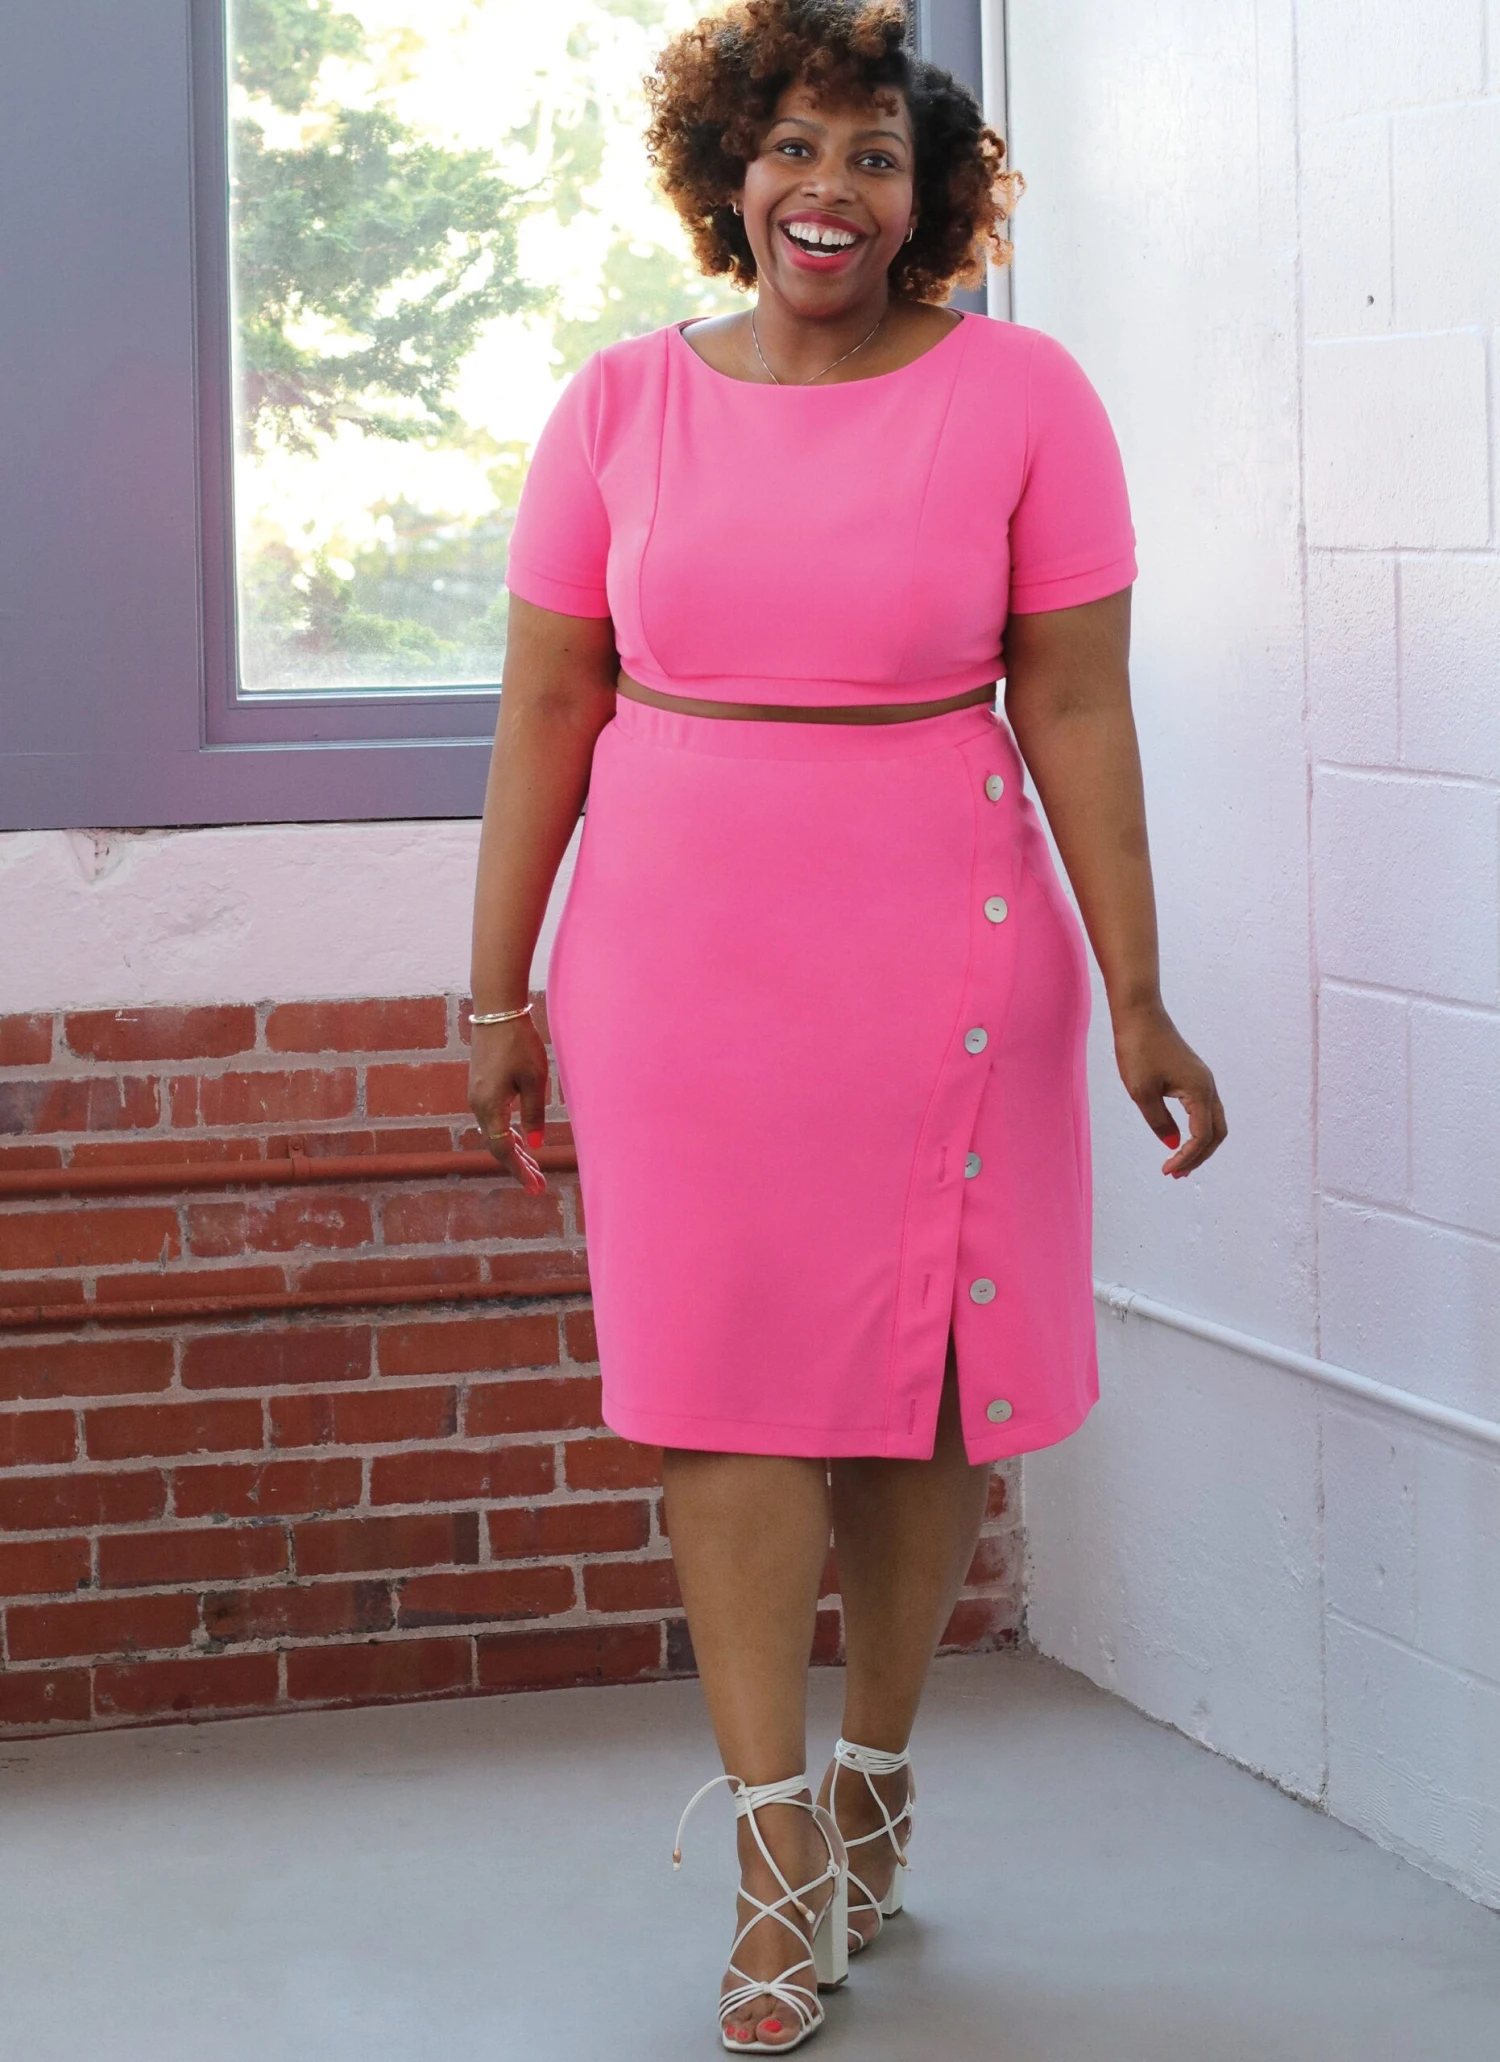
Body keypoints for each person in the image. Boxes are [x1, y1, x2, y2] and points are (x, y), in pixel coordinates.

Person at [468, 1, 1227, 2049]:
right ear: (730, 175)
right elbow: (547, 704)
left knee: (923, 1387)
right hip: (674, 961)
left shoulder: (1023, 393)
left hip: (940, 936)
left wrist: (1140, 989)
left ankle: (876, 1766)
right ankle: (774, 1851)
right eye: (795, 146)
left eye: (875, 155)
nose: (831, 187)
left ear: (927, 196)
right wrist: (495, 986)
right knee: (720, 1393)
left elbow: (1075, 701)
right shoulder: (617, 403)